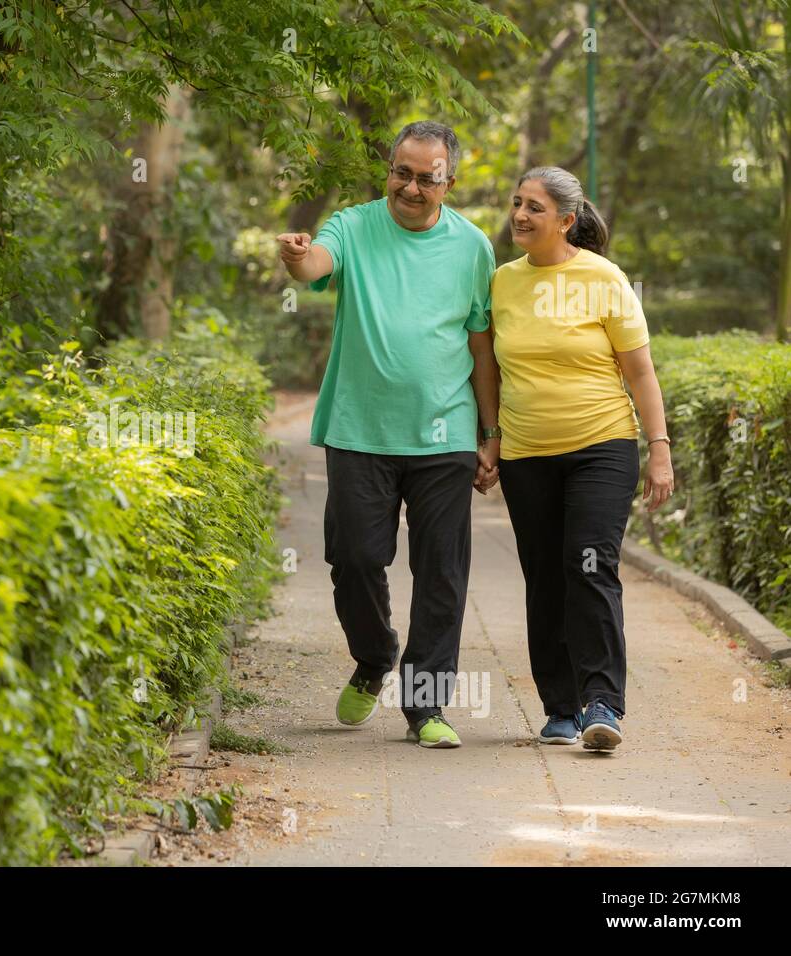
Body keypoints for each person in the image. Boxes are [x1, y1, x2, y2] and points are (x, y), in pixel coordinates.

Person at [276, 120, 500, 749]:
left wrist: (491, 433)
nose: (410, 186)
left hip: (446, 434)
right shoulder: (352, 225)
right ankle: (376, 657)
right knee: (352, 557)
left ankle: (425, 707)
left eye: (426, 177)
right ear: (390, 171)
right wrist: (298, 257)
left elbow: (480, 346)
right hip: (359, 427)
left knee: (442, 573)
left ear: (448, 182)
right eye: (401, 172)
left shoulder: (474, 247)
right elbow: (316, 263)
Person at [484, 165, 674, 751]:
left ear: (567, 219)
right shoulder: (502, 282)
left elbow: (639, 370)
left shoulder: (604, 278)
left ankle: (602, 704)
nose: (520, 215)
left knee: (588, 565)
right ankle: (560, 708)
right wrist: (489, 437)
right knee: (544, 578)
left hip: (602, 447)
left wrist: (659, 449)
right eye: (517, 203)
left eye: (535, 207)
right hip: (526, 453)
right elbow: (486, 366)